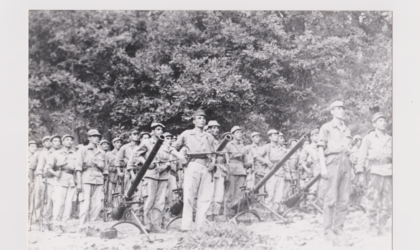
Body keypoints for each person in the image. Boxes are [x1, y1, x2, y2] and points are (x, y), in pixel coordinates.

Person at [169, 109, 216, 231]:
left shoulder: (209, 136)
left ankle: (200, 226)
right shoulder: (186, 134)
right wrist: (180, 157)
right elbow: (172, 148)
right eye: (199, 118)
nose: (202, 120)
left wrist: (213, 163)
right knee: (189, 196)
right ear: (194, 121)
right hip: (192, 165)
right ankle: (187, 227)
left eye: (204, 118)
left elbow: (215, 153)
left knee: (205, 198)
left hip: (206, 167)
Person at [317, 101, 352, 242]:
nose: (341, 111)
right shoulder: (326, 127)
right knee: (330, 198)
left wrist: (352, 169)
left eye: (343, 109)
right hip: (332, 162)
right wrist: (323, 167)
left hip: (346, 164)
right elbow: (320, 148)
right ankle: (327, 231)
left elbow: (349, 151)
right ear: (332, 111)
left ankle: (338, 228)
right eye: (338, 109)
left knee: (344, 199)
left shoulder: (347, 130)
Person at [127, 122, 169, 233]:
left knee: (160, 201)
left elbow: (169, 159)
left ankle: (156, 225)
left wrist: (165, 166)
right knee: (149, 199)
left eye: (162, 129)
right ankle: (147, 224)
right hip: (151, 174)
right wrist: (147, 163)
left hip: (163, 175)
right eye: (158, 129)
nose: (160, 131)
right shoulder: (147, 142)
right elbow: (137, 154)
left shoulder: (165, 144)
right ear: (153, 131)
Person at [355, 112, 392, 236]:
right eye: (380, 121)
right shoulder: (368, 138)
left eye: (384, 120)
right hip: (374, 171)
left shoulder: (390, 139)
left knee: (387, 201)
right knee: (373, 199)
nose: (383, 123)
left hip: (388, 171)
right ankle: (372, 225)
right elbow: (362, 156)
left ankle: (382, 224)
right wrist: (360, 173)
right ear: (374, 124)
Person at [75, 129, 108, 231]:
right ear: (89, 138)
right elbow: (78, 167)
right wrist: (79, 183)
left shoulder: (102, 152)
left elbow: (105, 170)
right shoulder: (83, 150)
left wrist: (105, 185)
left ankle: (92, 225)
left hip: (99, 179)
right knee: (85, 203)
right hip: (86, 178)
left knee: (97, 204)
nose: (96, 138)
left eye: (98, 136)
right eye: (94, 136)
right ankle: (82, 225)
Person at [46, 134, 77, 232]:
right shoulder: (56, 154)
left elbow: (79, 166)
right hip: (60, 179)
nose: (69, 141)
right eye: (66, 140)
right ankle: (56, 224)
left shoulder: (76, 154)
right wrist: (55, 173)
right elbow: (48, 168)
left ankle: (64, 224)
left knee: (68, 204)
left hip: (71, 180)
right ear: (62, 142)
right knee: (59, 203)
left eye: (71, 140)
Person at [254, 129, 289, 214]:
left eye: (277, 135)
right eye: (274, 135)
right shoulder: (267, 147)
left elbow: (285, 161)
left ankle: (275, 213)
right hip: (271, 174)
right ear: (270, 137)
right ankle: (268, 214)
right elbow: (256, 156)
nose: (277, 136)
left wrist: (287, 172)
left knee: (278, 196)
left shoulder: (282, 148)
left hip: (280, 173)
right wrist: (267, 162)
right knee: (270, 195)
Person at [223, 126, 248, 216]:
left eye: (240, 132)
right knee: (230, 193)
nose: (239, 134)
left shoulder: (243, 146)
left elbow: (245, 161)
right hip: (231, 170)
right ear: (233, 134)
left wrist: (247, 165)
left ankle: (237, 214)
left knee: (239, 194)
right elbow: (226, 159)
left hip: (241, 170)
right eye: (237, 132)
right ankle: (228, 215)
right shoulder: (229, 145)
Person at [206, 120, 228, 218]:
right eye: (213, 128)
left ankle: (215, 215)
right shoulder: (206, 139)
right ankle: (208, 215)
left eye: (217, 128)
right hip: (209, 169)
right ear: (209, 129)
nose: (216, 130)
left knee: (219, 194)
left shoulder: (218, 141)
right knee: (209, 193)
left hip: (219, 169)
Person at [42, 135, 62, 230]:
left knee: (58, 202)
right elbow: (43, 168)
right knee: (49, 201)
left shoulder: (62, 153)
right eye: (55, 141)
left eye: (58, 141)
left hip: (60, 180)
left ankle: (56, 223)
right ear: (51, 142)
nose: (57, 143)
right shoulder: (46, 153)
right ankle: (46, 222)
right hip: (49, 179)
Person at [299, 129, 325, 202]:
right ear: (311, 137)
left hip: (322, 173)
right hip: (312, 174)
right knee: (312, 192)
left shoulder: (322, 148)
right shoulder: (307, 148)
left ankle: (319, 211)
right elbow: (301, 161)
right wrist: (307, 170)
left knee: (322, 192)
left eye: (318, 135)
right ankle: (310, 210)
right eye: (315, 135)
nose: (317, 137)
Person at [115, 128, 141, 195]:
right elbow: (118, 160)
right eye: (134, 134)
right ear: (130, 137)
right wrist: (119, 172)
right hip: (127, 171)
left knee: (139, 189)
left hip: (138, 170)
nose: (137, 136)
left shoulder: (141, 147)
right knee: (128, 189)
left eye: (138, 134)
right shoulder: (125, 147)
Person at [243, 132, 264, 204]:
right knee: (251, 188)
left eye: (259, 137)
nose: (258, 138)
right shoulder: (248, 148)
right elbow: (247, 160)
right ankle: (249, 205)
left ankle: (260, 204)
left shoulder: (262, 148)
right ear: (252, 138)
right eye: (256, 137)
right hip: (252, 171)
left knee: (261, 189)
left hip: (261, 170)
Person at [105, 137, 123, 207]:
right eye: (117, 142)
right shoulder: (108, 154)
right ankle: (109, 209)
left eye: (120, 142)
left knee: (120, 193)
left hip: (120, 176)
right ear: (113, 144)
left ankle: (117, 209)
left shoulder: (122, 153)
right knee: (110, 193)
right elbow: (106, 165)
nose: (119, 144)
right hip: (111, 176)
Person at [28, 140, 39, 223]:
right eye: (32, 146)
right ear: (28, 147)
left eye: (35, 146)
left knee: (34, 198)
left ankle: (33, 216)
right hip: (27, 179)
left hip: (35, 179)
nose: (34, 148)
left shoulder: (38, 156)